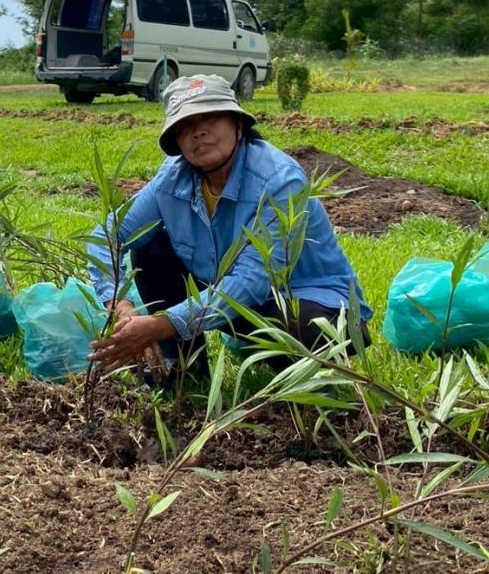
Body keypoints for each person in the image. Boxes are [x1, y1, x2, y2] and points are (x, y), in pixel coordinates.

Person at [86, 73, 371, 376]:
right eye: (184, 127)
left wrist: (160, 325)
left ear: (237, 123)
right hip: (231, 297)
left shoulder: (279, 182)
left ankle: (313, 385)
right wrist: (120, 307)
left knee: (298, 327)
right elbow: (105, 237)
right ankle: (180, 374)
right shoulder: (171, 181)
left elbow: (250, 283)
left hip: (310, 303)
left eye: (210, 117)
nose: (198, 133)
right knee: (151, 250)